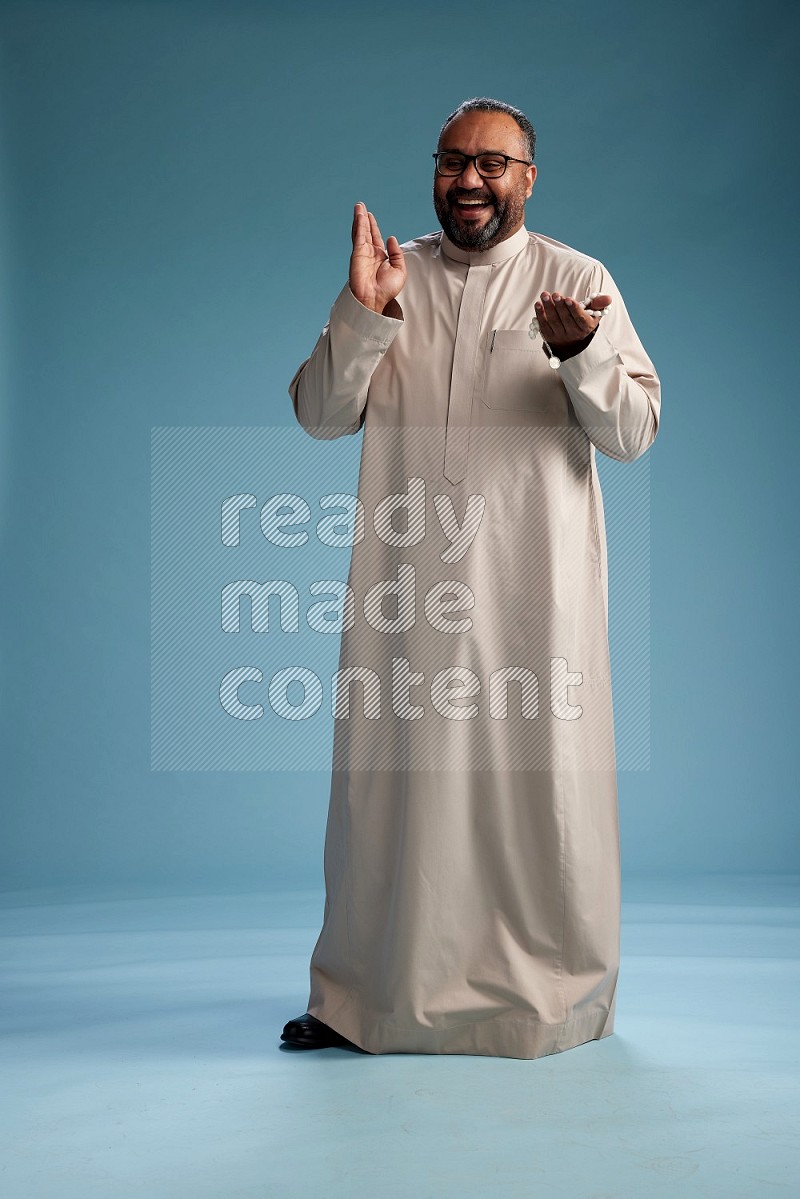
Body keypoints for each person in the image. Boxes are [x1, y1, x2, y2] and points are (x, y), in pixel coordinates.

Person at [281, 97, 661, 1059]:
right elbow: (321, 416)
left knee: (541, 789)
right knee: (387, 788)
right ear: (436, 172)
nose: (471, 182)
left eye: (494, 165)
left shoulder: (577, 278)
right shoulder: (393, 274)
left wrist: (578, 350)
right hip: (408, 590)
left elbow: (630, 434)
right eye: (454, 162)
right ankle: (361, 995)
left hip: (536, 596)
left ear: (528, 178)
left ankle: (556, 996)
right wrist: (362, 309)